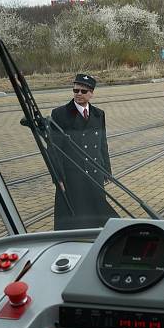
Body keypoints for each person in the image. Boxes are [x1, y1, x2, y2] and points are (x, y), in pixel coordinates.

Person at [49, 73, 117, 230]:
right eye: (76, 90)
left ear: (91, 93)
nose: (78, 94)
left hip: (94, 174)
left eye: (83, 91)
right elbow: (55, 149)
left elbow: (102, 144)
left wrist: (106, 170)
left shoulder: (98, 114)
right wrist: (58, 178)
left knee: (98, 219)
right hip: (73, 176)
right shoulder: (60, 114)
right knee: (77, 221)